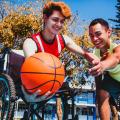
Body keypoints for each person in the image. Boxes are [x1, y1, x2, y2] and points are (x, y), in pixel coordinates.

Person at [21, 1, 100, 120]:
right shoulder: (31, 43)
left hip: (52, 80)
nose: (59, 24)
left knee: (68, 89)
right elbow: (31, 71)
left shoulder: (63, 39)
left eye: (62, 21)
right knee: (32, 97)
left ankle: (67, 116)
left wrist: (88, 56)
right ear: (45, 18)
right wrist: (29, 94)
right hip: (34, 81)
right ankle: (28, 114)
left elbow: (82, 52)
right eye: (55, 19)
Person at [88, 18, 120, 120]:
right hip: (114, 81)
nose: (95, 39)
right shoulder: (95, 54)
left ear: (108, 32)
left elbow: (116, 57)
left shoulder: (117, 47)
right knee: (101, 93)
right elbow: (98, 79)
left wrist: (103, 65)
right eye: (91, 36)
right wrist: (99, 97)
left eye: (98, 34)